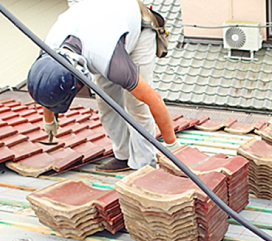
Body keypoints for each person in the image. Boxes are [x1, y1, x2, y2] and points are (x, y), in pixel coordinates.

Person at [27, 0, 180, 173]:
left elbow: (154, 100)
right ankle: (123, 156)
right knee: (106, 103)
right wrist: (48, 120)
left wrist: (172, 146)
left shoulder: (108, 59)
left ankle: (144, 165)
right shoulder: (48, 51)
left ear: (78, 83)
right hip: (104, 30)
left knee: (136, 105)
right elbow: (48, 86)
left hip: (139, 30)